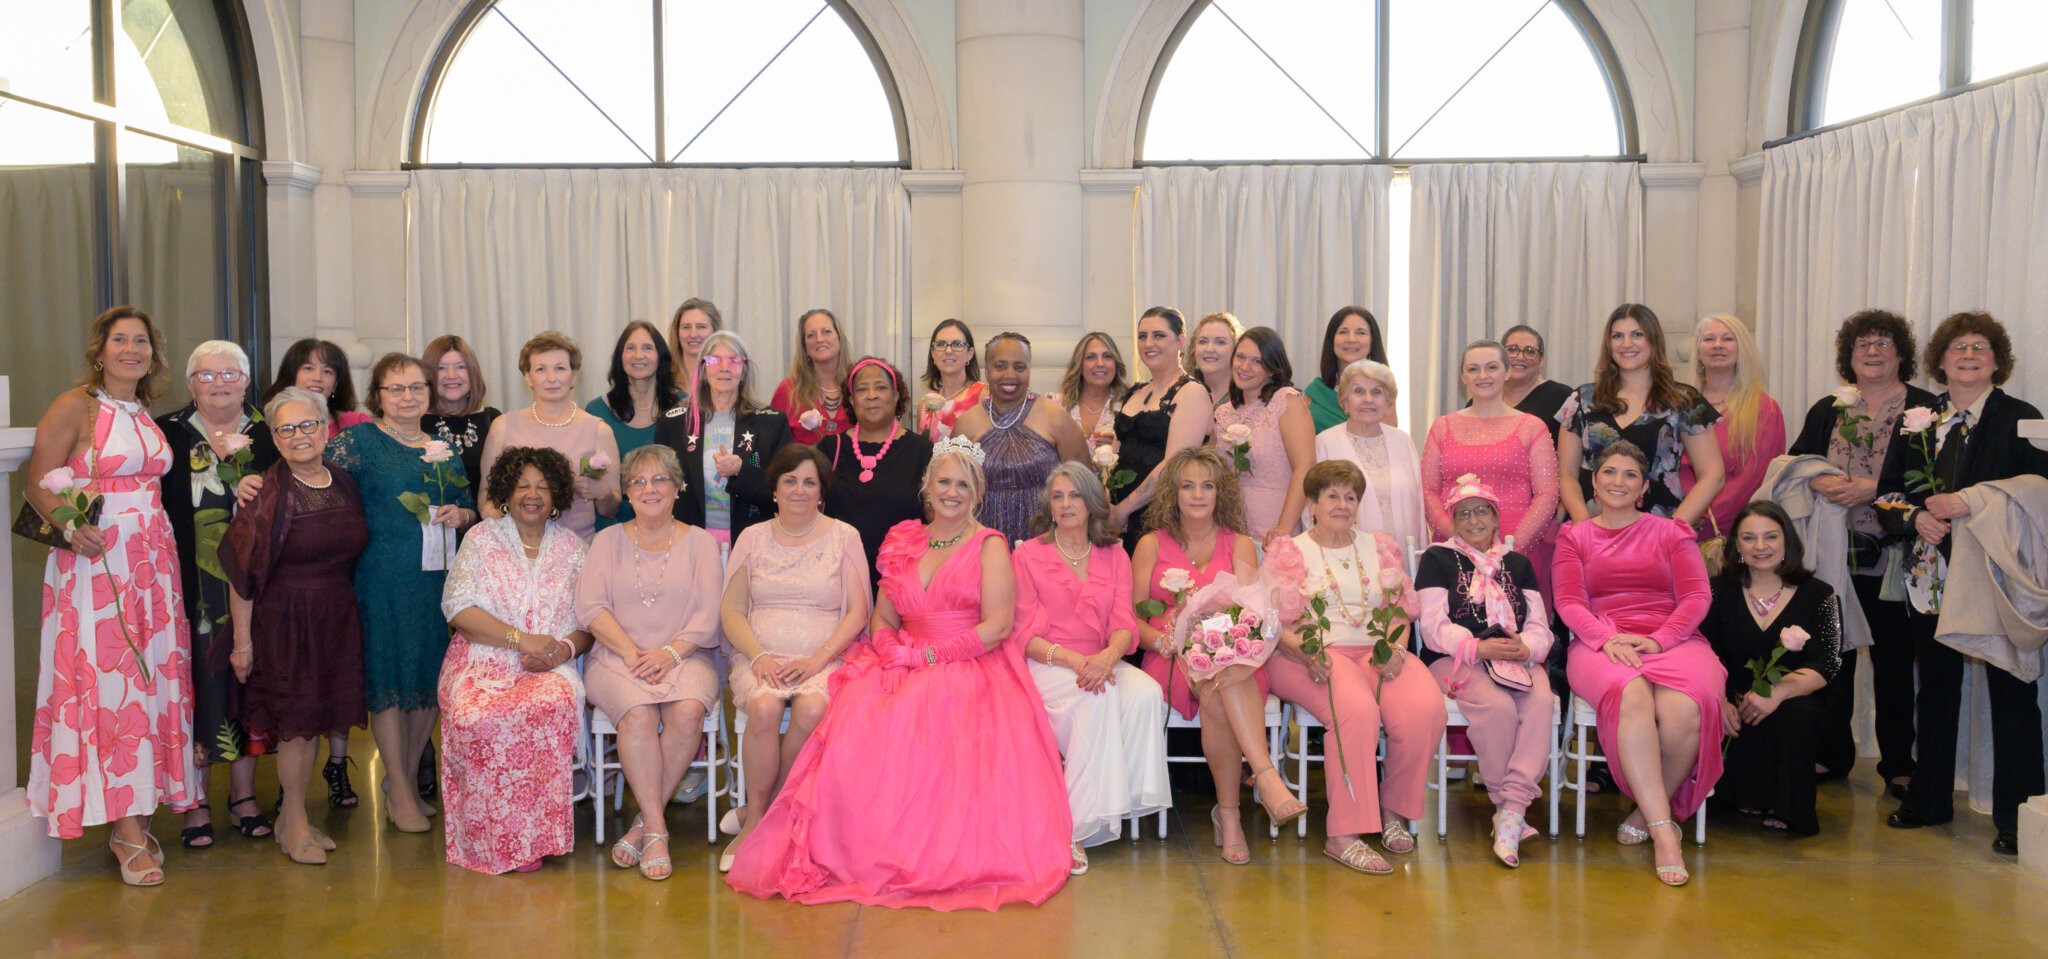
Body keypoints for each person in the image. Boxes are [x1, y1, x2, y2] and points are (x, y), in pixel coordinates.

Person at [726, 438, 1072, 910]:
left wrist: (926, 659)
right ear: (927, 487)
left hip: (967, 663)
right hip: (900, 657)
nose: (952, 492)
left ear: (978, 493)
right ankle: (818, 830)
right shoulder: (904, 538)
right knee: (855, 717)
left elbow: (997, 626)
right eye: (944, 482)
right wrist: (890, 647)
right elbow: (883, 616)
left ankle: (920, 852)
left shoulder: (989, 545)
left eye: (963, 485)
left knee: (928, 720)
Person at [25, 306, 198, 886]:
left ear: (154, 352)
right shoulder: (76, 405)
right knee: (110, 683)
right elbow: (37, 480)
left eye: (142, 341)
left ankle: (139, 809)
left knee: (151, 683)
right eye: (120, 340)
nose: (132, 349)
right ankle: (123, 830)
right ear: (99, 350)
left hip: (154, 561)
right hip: (98, 564)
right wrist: (72, 528)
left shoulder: (142, 411)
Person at [1877, 311, 2048, 856]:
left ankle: (2019, 817)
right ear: (1941, 360)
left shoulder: (2022, 417)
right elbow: (1887, 495)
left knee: (2012, 692)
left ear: (1998, 361)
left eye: (1980, 348)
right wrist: (1912, 520)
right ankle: (1929, 799)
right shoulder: (1917, 418)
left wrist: (1971, 503)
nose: (1969, 356)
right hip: (1930, 576)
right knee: (1937, 687)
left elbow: (2039, 493)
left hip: (1996, 577)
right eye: (1958, 348)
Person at [1552, 441, 1724, 886]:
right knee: (1630, 694)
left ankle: (1647, 810)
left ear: (1644, 486)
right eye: (1609, 472)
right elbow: (1569, 602)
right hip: (1599, 640)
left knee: (1685, 709)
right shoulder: (1574, 536)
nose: (1618, 482)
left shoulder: (1672, 532)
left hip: (1673, 637)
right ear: (1594, 481)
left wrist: (1660, 639)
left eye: (1630, 474)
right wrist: (1605, 639)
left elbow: (1696, 597)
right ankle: (1665, 832)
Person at [1272, 461, 1448, 874]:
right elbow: (1273, 625)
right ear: (1312, 504)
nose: (1342, 504)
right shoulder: (1291, 551)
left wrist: (1397, 648)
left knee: (1425, 708)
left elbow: (1402, 609)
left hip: (1377, 650)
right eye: (1332, 495)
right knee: (1355, 711)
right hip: (1308, 655)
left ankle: (1392, 810)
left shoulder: (1380, 546)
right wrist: (1307, 653)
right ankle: (1344, 834)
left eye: (1350, 496)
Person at [1132, 446, 1306, 865]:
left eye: (1207, 486)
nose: (1197, 495)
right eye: (1188, 486)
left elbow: (1252, 614)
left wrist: (1220, 646)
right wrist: (1164, 641)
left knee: (1221, 676)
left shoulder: (1240, 544)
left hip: (1237, 656)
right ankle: (1261, 782)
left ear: (1219, 494)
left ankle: (1230, 812)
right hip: (1170, 658)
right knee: (1216, 679)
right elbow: (1132, 618)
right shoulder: (1150, 545)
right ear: (1172, 493)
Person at [328, 352, 478, 833]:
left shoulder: (443, 447)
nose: (408, 397)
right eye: (396, 389)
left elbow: (470, 507)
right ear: (378, 396)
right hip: (380, 577)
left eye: (416, 387)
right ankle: (398, 783)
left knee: (429, 682)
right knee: (389, 681)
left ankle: (405, 782)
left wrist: (461, 515)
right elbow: (321, 491)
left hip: (436, 580)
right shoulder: (357, 442)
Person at [1787, 310, 1934, 792]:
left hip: (1893, 555)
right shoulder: (1830, 405)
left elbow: (1933, 479)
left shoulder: (1926, 409)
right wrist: (1823, 478)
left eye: (1883, 343)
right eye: (1863, 345)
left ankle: (1897, 764)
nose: (1873, 353)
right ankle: (1832, 755)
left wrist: (1875, 488)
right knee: (1834, 658)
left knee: (1894, 659)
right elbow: (1795, 461)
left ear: (1901, 353)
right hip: (1831, 554)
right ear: (1848, 356)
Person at [221, 387, 369, 866]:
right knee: (297, 729)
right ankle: (297, 821)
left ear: (326, 429)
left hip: (336, 615)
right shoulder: (267, 492)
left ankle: (291, 820)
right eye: (286, 428)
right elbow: (240, 574)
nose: (299, 435)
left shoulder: (344, 481)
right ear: (275, 439)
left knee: (318, 723)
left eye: (308, 425)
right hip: (286, 622)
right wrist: (243, 644)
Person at [440, 446, 592, 874]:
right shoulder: (482, 539)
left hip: (549, 664)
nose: (532, 494)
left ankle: (535, 839)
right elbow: (459, 609)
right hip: (481, 660)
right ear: (506, 490)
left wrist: (561, 651)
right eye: (523, 484)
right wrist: (521, 640)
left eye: (543, 487)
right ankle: (489, 839)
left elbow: (589, 622)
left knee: (547, 704)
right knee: (474, 716)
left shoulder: (574, 550)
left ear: (557, 496)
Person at [719, 445, 871, 871]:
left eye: (810, 482)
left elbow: (858, 612)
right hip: (760, 654)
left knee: (814, 706)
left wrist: (819, 659)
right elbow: (731, 610)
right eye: (790, 481)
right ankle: (758, 816)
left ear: (822, 491)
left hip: (822, 656)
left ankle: (770, 812)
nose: (799, 491)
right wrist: (758, 656)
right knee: (764, 707)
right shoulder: (752, 538)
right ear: (775, 489)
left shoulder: (845, 536)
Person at [1013, 464, 1171, 873]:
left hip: (1100, 659)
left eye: (1075, 495)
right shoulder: (1028, 554)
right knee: (1095, 698)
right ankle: (1074, 828)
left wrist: (1106, 658)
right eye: (1058, 496)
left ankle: (1125, 800)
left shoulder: (1114, 553)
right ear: (1048, 505)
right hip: (1047, 661)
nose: (1066, 504)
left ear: (1091, 502)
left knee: (1146, 693)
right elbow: (1022, 635)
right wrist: (1075, 661)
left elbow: (1123, 623)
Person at [576, 444, 724, 880]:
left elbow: (708, 612)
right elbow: (591, 607)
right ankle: (657, 828)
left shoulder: (699, 542)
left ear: (677, 488)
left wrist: (670, 653)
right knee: (637, 713)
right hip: (617, 657)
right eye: (638, 481)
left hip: (687, 654)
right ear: (625, 492)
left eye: (659, 479)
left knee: (688, 709)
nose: (649, 488)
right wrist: (629, 652)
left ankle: (644, 824)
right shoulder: (607, 541)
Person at [158, 340, 279, 847]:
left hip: (253, 584)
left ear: (246, 381)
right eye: (206, 376)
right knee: (197, 687)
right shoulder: (166, 433)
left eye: (230, 374)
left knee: (246, 686)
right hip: (190, 583)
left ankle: (244, 794)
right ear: (190, 385)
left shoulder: (268, 434)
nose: (219, 383)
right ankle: (197, 800)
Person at [1415, 474, 1558, 867]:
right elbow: (1432, 626)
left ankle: (1510, 810)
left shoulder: (1518, 563)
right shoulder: (1437, 558)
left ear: (1496, 518)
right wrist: (1478, 647)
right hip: (1457, 659)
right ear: (1452, 520)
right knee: (1496, 708)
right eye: (1463, 513)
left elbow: (1539, 625)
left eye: (1481, 511)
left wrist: (1526, 647)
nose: (1473, 520)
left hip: (1514, 658)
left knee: (1541, 701)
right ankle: (1510, 808)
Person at [1702, 502, 1841, 837]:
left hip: (1791, 701)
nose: (1760, 546)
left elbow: (1827, 663)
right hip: (1731, 703)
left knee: (1799, 712)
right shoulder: (1716, 591)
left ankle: (1786, 806)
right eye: (1749, 538)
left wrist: (1777, 693)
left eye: (1770, 537)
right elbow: (1701, 651)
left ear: (1787, 542)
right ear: (1737, 544)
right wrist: (1718, 700)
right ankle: (1729, 795)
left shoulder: (1820, 595)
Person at [1559, 304, 1724, 526]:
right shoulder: (1582, 398)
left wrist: (1672, 530)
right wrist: (1583, 526)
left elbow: (1713, 475)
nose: (1627, 344)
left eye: (1637, 334)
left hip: (1660, 533)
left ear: (1653, 340)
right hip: (1591, 530)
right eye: (1617, 336)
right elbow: (1566, 474)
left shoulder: (1684, 400)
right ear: (1609, 344)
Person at [1422, 340, 1560, 590]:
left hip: (1516, 545)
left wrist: (1511, 547)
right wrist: (1456, 536)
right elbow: (1428, 490)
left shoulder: (1532, 426)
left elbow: (1547, 493)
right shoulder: (1442, 427)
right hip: (1454, 547)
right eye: (1473, 369)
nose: (1482, 376)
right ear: (1463, 376)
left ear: (1507, 372)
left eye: (1492, 367)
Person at [652, 330, 789, 549]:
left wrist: (740, 470)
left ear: (744, 371)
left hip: (753, 542)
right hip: (688, 541)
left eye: (734, 361)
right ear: (703, 371)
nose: (724, 367)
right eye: (714, 360)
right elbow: (661, 485)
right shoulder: (674, 423)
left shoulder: (770, 423)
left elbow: (783, 489)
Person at [479, 331, 621, 541]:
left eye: (560, 368)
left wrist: (603, 492)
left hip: (577, 549)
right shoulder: (503, 427)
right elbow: (485, 496)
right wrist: (504, 533)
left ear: (573, 375)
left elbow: (610, 510)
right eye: (540, 369)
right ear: (527, 377)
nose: (551, 378)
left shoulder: (598, 430)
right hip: (515, 550)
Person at [951, 333, 1086, 543]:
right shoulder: (967, 424)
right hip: (984, 542)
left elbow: (1084, 482)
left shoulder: (1055, 417)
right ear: (987, 370)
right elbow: (954, 491)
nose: (1010, 374)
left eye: (1019, 367)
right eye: (1000, 366)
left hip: (1045, 540)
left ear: (1029, 370)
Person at [819, 357, 933, 588]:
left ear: (896, 395)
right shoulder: (830, 449)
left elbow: (936, 520)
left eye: (881, 387)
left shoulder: (923, 451)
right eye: (862, 389)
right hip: (839, 579)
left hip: (903, 581)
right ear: (851, 400)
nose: (872, 394)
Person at [1112, 306, 1211, 550]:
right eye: (1142, 336)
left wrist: (1123, 510)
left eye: (1158, 335)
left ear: (1180, 341)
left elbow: (1173, 466)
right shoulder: (1134, 392)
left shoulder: (1192, 392)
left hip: (1160, 515)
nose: (1148, 343)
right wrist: (1109, 505)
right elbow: (1112, 458)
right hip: (1117, 516)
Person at [1682, 314, 1787, 537]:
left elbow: (1751, 480)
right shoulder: (1679, 405)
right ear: (1698, 352)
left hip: (1726, 533)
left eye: (1727, 339)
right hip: (1673, 524)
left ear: (1742, 350)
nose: (1718, 345)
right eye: (1709, 339)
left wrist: (1702, 519)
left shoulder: (1764, 410)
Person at [1212, 327, 1315, 548]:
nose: (1244, 367)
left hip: (1274, 528)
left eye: (1256, 361)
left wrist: (1283, 529)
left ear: (1272, 368)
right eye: (1240, 357)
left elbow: (1305, 467)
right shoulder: (1223, 413)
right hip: (1231, 529)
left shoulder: (1286, 401)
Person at [1314, 359, 1426, 551]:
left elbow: (1419, 506)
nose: (1368, 399)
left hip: (1404, 556)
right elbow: (1314, 507)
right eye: (1359, 391)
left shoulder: (1404, 442)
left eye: (1377, 392)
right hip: (1348, 557)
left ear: (1388, 401)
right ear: (1344, 401)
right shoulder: (1325, 442)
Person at [587, 321, 682, 528]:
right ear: (620, 358)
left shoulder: (685, 407)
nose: (639, 355)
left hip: (672, 527)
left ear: (661, 357)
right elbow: (591, 480)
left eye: (647, 348)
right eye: (630, 348)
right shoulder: (595, 411)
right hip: (612, 528)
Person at [420, 334, 502, 504]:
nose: (451, 375)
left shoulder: (494, 420)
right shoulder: (416, 423)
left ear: (472, 373)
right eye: (441, 368)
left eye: (460, 367)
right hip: (436, 526)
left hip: (488, 525)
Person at [770, 308, 853, 444]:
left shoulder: (857, 385)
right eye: (811, 335)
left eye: (826, 331)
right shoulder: (788, 390)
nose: (819, 339)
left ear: (839, 338)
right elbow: (771, 446)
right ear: (805, 347)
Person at [259, 338, 371, 438]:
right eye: (308, 368)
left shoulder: (357, 424)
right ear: (291, 375)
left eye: (327, 371)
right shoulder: (267, 426)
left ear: (336, 384)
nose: (317, 378)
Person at [1307, 307, 1390, 432]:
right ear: (1332, 340)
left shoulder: (1384, 392)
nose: (1351, 339)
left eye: (1361, 332)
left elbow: (1385, 442)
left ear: (1372, 342)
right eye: (1343, 332)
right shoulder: (1315, 392)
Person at [1049, 332, 1130, 455]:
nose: (1100, 363)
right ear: (1079, 365)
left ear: (1116, 364)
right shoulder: (1055, 405)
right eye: (1091, 357)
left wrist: (1120, 445)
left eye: (1107, 356)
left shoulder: (1129, 405)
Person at [1500, 324, 1575, 444]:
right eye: (1512, 349)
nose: (1520, 357)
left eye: (1530, 351)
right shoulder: (1485, 399)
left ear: (1541, 361)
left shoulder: (1563, 397)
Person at [916, 318, 985, 441]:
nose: (948, 351)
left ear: (970, 353)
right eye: (941, 344)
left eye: (957, 344)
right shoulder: (925, 404)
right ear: (933, 353)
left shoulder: (983, 395)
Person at [1185, 311, 1243, 412]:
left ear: (1237, 349)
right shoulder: (1182, 393)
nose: (1209, 349)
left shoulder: (1249, 397)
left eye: (1220, 342)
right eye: (1203, 341)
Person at [667, 297, 723, 392]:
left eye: (701, 327)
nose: (693, 334)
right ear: (677, 332)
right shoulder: (664, 379)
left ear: (715, 332)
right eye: (686, 327)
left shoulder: (725, 377)